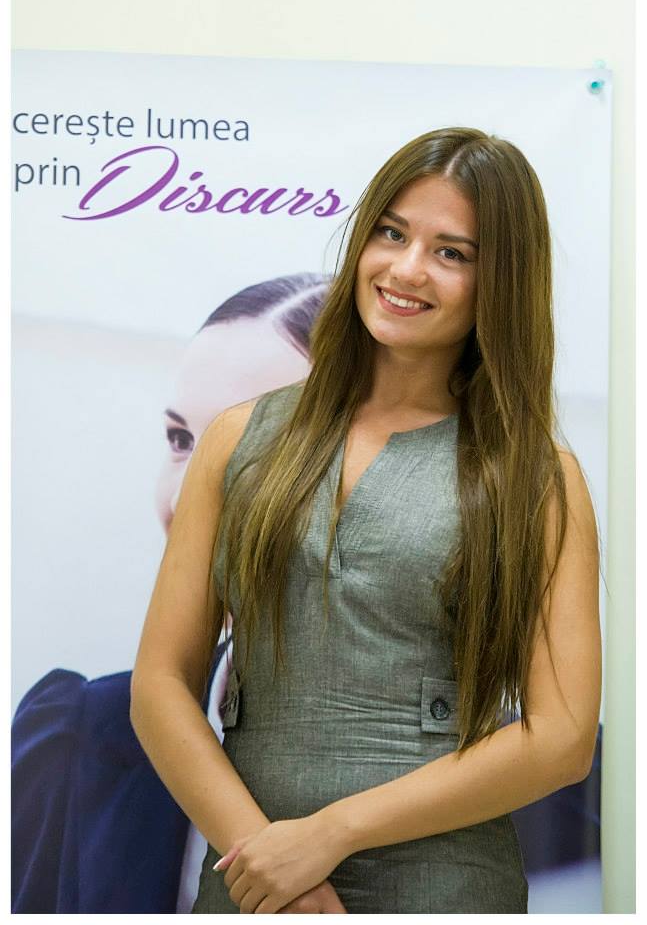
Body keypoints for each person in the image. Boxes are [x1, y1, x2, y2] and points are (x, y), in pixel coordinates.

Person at [129, 126, 602, 914]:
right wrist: (266, 862)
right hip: (252, 879)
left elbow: (560, 739)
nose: (406, 269)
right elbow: (160, 684)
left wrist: (328, 835)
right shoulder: (239, 439)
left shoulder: (534, 474)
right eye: (391, 233)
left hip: (443, 884)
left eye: (451, 252)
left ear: (500, 281)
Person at [10, 272, 331, 913]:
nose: (188, 499)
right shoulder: (77, 742)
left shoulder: (521, 788)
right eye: (183, 441)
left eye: (255, 447)